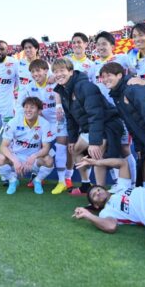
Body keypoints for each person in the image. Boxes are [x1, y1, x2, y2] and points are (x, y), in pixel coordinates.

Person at [53, 58, 124, 195]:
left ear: (71, 72)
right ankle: (86, 185)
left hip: (107, 125)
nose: (58, 74)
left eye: (62, 70)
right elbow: (70, 118)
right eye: (55, 72)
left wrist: (94, 142)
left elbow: (96, 115)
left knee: (96, 154)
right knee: (75, 149)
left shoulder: (85, 87)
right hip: (91, 127)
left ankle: (100, 192)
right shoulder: (64, 90)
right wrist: (73, 140)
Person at [100, 62, 145, 187]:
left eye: (108, 75)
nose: (105, 80)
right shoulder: (118, 94)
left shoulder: (133, 89)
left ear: (120, 75)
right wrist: (139, 146)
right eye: (102, 77)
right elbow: (131, 124)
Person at [16, 59, 72, 194]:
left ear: (46, 71)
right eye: (33, 72)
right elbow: (23, 106)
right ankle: (39, 177)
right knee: (42, 149)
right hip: (42, 123)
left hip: (59, 120)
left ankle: (63, 180)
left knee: (61, 148)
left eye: (38, 70)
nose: (36, 74)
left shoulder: (55, 82)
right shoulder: (29, 87)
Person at [92, 31, 137, 187]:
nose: (101, 47)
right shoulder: (94, 66)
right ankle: (120, 182)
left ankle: (133, 183)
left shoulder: (123, 58)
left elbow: (134, 75)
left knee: (125, 148)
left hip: (123, 111)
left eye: (104, 44)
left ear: (112, 45)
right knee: (110, 148)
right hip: (105, 115)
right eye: (98, 45)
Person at [0, 97, 54, 195]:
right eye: (26, 107)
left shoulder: (45, 124)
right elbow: (4, 146)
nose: (28, 110)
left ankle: (37, 180)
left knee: (49, 160)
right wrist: (14, 160)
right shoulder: (14, 122)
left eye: (32, 107)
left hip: (33, 159)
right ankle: (12, 180)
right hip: (16, 157)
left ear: (39, 111)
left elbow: (46, 148)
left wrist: (34, 156)